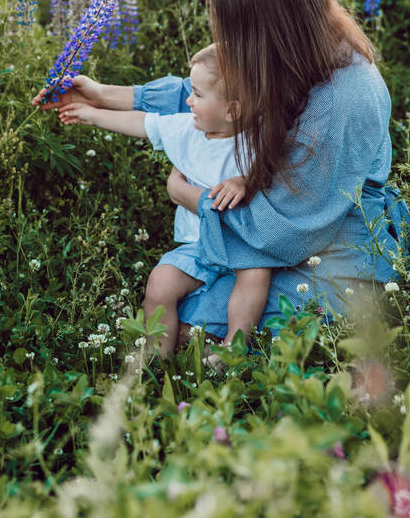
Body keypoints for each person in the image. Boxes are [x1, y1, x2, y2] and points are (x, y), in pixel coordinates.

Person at [34, 0, 410, 345]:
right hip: (280, 228)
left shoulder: (342, 98)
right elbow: (216, 94)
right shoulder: (299, 53)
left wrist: (193, 199)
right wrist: (103, 94)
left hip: (334, 249)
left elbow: (289, 232)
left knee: (191, 324)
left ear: (266, 24)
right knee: (177, 303)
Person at [55, 43, 271, 356]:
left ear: (232, 110)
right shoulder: (187, 130)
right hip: (196, 246)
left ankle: (233, 350)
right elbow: (142, 123)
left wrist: (245, 180)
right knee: (160, 283)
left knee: (256, 275)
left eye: (197, 94)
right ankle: (156, 363)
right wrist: (91, 114)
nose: (188, 100)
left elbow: (278, 170)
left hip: (241, 243)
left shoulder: (259, 139)